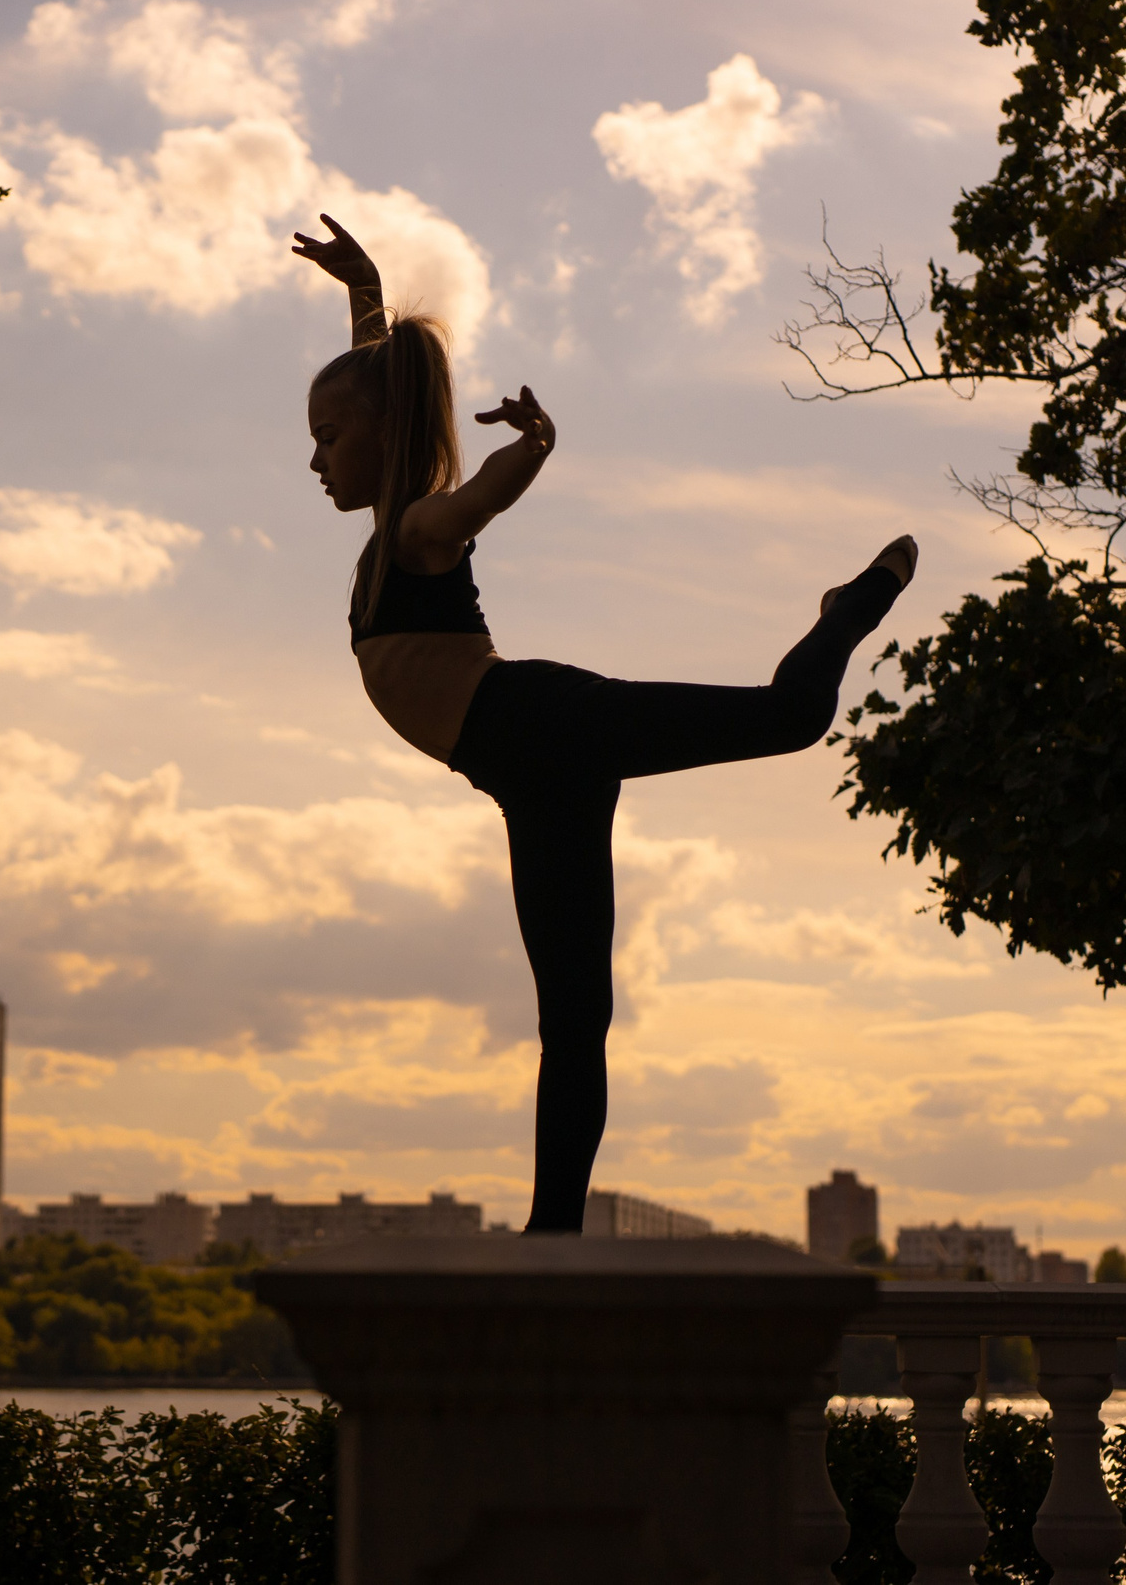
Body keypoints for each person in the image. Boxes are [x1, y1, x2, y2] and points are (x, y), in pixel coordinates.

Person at [290, 212, 916, 1233]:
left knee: (792, 714)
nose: (315, 459)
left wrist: (534, 446)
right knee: (574, 1019)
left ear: (379, 436)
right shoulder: (387, 523)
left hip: (551, 725)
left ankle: (847, 613)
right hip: (530, 781)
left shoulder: (418, 530)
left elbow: (478, 498)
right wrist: (363, 289)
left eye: (328, 437)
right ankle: (555, 1233)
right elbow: (389, 390)